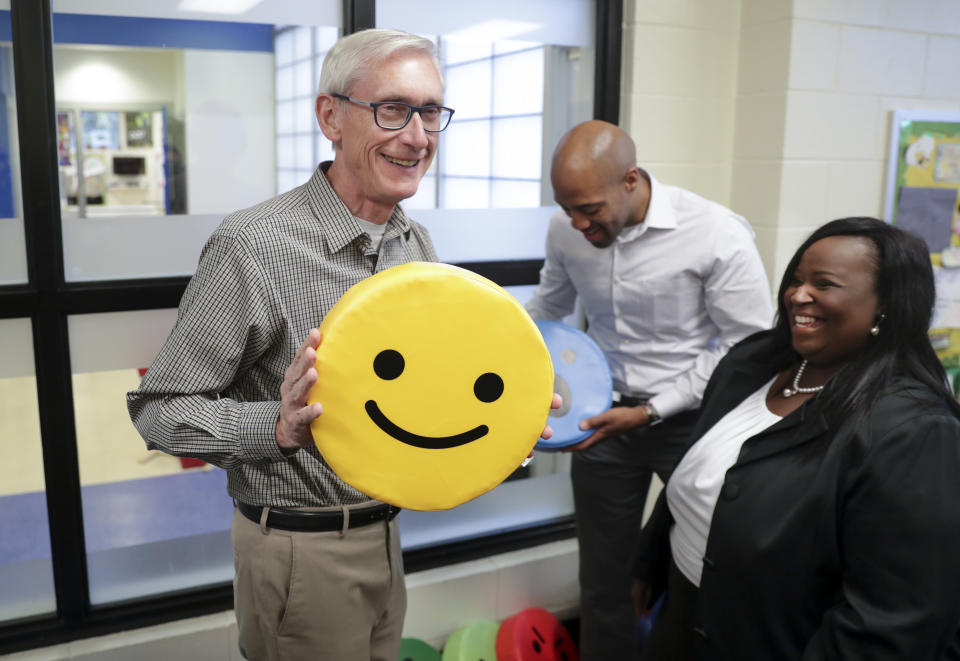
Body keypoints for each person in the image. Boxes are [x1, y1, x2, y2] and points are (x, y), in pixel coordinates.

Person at [127, 29, 556, 661]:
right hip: (300, 551)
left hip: (385, 535)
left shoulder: (415, 246)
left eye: (431, 112)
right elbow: (158, 409)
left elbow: (430, 391)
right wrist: (276, 427)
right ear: (331, 116)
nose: (417, 137)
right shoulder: (255, 246)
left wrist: (502, 419)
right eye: (393, 109)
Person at [634, 217, 960, 660]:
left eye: (823, 284)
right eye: (796, 279)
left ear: (885, 305)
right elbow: (696, 471)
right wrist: (650, 564)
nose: (797, 295)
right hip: (683, 619)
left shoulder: (912, 430)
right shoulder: (750, 364)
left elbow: (893, 618)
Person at [524, 119, 773, 660]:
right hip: (601, 421)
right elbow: (550, 307)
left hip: (694, 423)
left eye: (590, 209)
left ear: (631, 180)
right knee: (603, 578)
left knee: (705, 566)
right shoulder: (567, 229)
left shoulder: (715, 232)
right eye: (567, 209)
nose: (578, 223)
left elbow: (748, 346)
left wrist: (653, 411)